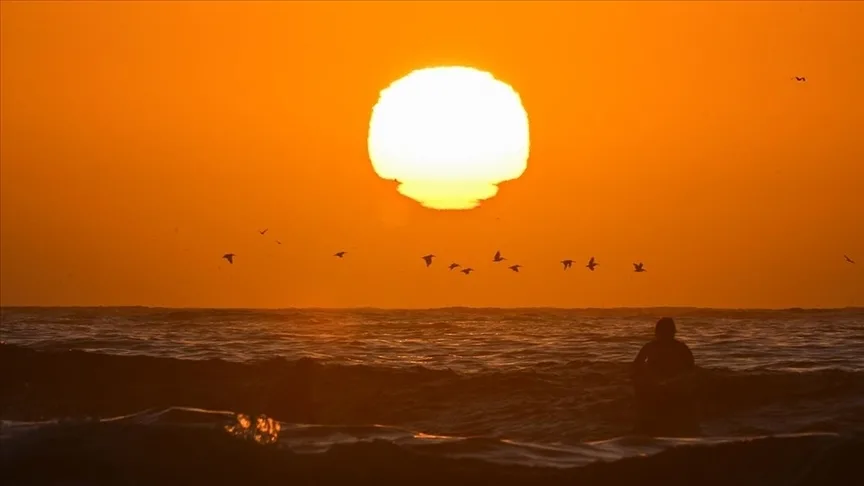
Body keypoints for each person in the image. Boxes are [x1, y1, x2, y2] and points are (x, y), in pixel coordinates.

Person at [632, 317, 698, 434]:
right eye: (662, 332)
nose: (664, 336)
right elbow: (636, 366)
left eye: (667, 332)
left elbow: (690, 369)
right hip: (654, 384)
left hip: (674, 385)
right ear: (657, 333)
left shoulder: (681, 348)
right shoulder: (650, 347)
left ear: (673, 333)